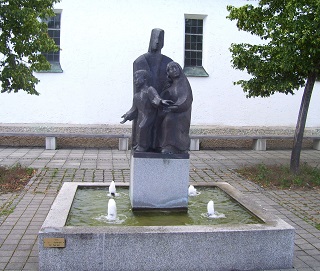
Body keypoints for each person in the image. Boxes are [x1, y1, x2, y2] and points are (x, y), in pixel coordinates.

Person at [132, 28, 173, 149]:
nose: (156, 42)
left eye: (159, 39)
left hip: (158, 102)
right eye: (154, 38)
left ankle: (156, 145)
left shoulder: (168, 61)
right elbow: (136, 99)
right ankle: (141, 144)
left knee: (154, 126)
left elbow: (169, 85)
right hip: (144, 106)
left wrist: (161, 101)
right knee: (142, 125)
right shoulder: (140, 61)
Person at [121, 70, 173, 152]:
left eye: (137, 78)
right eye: (134, 79)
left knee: (143, 127)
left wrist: (161, 101)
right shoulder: (136, 95)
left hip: (150, 115)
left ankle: (143, 146)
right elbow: (134, 109)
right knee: (139, 128)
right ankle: (139, 144)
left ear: (145, 79)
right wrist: (127, 115)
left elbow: (156, 98)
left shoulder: (150, 89)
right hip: (141, 117)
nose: (135, 81)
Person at [158, 62, 193, 154]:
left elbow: (186, 99)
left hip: (181, 114)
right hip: (173, 111)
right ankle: (160, 145)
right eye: (171, 69)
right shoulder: (171, 86)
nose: (174, 70)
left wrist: (175, 107)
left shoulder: (183, 83)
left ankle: (173, 147)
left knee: (169, 120)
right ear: (168, 73)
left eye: (176, 68)